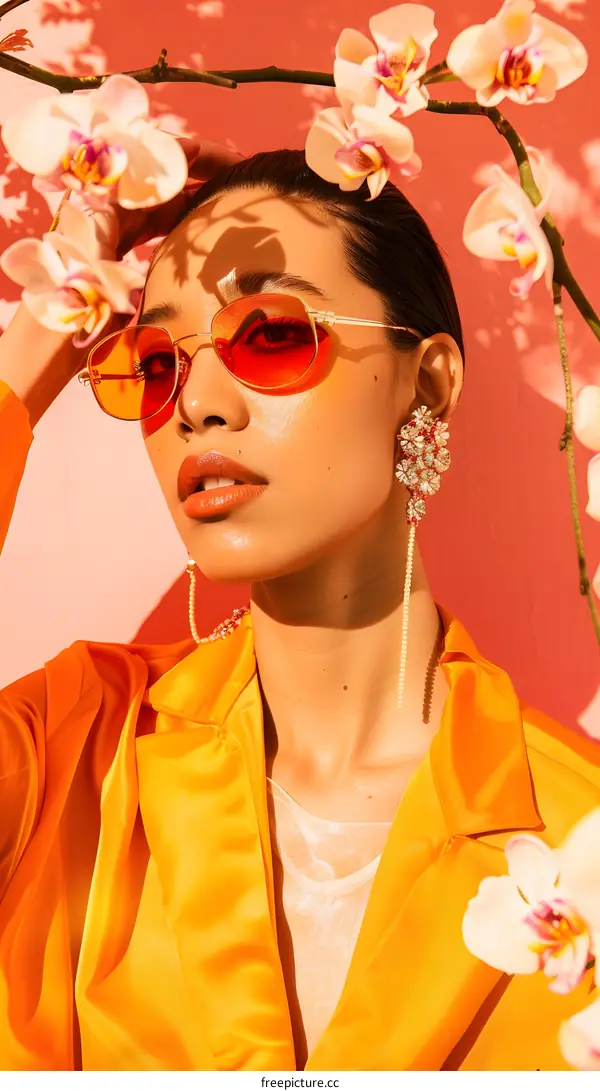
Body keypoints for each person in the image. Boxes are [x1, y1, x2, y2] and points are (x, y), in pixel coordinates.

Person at [0, 146, 599, 1073]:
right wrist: (33, 344)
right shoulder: (72, 753)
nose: (195, 401)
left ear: (427, 381)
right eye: (157, 361)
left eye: (271, 333)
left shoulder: (582, 832)